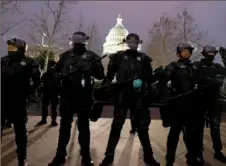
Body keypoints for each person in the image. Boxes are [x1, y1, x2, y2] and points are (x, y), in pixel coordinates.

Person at [99, 33, 160, 166]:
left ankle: (148, 156)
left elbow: (149, 79)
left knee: (143, 128)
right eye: (130, 41)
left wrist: (153, 81)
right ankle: (108, 156)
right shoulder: (118, 57)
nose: (132, 43)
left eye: (135, 41)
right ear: (126, 42)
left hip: (138, 96)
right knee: (116, 126)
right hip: (122, 94)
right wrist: (106, 86)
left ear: (138, 43)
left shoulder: (144, 58)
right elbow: (109, 76)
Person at [48, 31, 105, 166]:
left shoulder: (92, 56)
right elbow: (56, 72)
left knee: (83, 128)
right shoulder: (66, 56)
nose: (78, 44)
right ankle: (60, 155)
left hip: (84, 97)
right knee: (65, 128)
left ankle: (85, 156)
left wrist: (92, 67)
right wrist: (57, 76)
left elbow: (101, 75)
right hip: (67, 96)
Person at [157, 42, 203, 166]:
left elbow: (200, 83)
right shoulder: (173, 66)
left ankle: (192, 159)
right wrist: (166, 96)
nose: (187, 52)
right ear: (179, 52)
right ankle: (169, 160)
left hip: (192, 106)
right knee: (174, 134)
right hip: (177, 106)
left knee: (192, 135)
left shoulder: (194, 67)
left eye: (188, 50)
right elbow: (161, 83)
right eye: (184, 50)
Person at [1, 38, 41, 166]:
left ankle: (22, 157)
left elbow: (36, 81)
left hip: (19, 101)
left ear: (21, 49)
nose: (10, 50)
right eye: (9, 48)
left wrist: (27, 91)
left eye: (13, 48)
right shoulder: (3, 61)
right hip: (2, 100)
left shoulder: (30, 62)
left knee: (21, 132)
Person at [193, 45, 226, 163]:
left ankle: (218, 152)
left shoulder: (216, 66)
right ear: (204, 54)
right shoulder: (197, 65)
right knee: (199, 128)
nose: (211, 56)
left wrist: (225, 58)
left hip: (214, 101)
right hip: (200, 100)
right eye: (209, 54)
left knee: (215, 127)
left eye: (214, 54)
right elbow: (195, 76)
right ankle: (198, 153)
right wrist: (210, 79)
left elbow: (224, 73)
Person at [37, 60, 60, 126]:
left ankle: (45, 120)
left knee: (46, 106)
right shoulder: (56, 73)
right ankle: (52, 120)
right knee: (53, 107)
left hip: (48, 91)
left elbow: (43, 80)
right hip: (53, 92)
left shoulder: (47, 73)